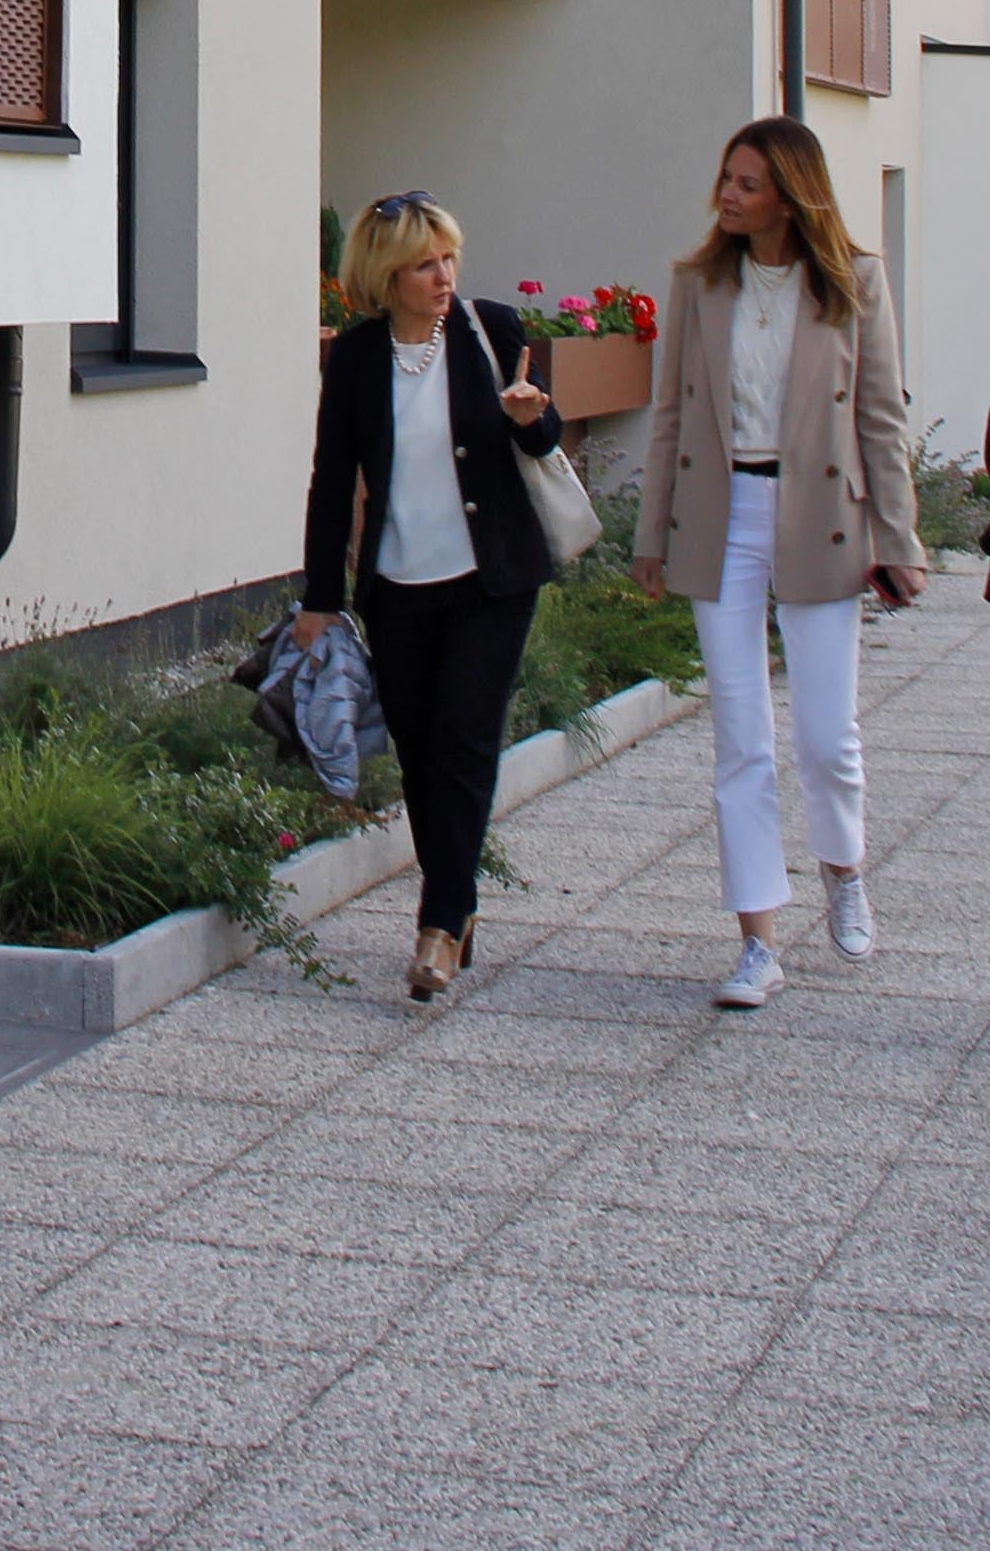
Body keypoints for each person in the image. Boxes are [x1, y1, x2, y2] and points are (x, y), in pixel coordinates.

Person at [626, 119, 923, 1009]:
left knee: (826, 737)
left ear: (791, 193)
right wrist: (652, 535)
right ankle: (756, 939)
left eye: (747, 183)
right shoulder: (698, 282)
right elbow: (671, 413)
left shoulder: (853, 282)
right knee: (739, 738)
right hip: (721, 516)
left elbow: (880, 420)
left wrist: (899, 542)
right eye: (726, 178)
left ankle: (843, 867)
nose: (728, 194)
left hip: (822, 517)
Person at [293, 192, 565, 1000]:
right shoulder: (356, 356)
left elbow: (544, 439)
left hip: (490, 581)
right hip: (397, 587)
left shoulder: (493, 330)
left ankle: (438, 923)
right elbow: (331, 477)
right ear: (385, 275)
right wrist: (320, 595)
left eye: (447, 255)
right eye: (423, 263)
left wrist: (528, 419)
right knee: (419, 755)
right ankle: (459, 908)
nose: (443, 274)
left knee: (464, 740)